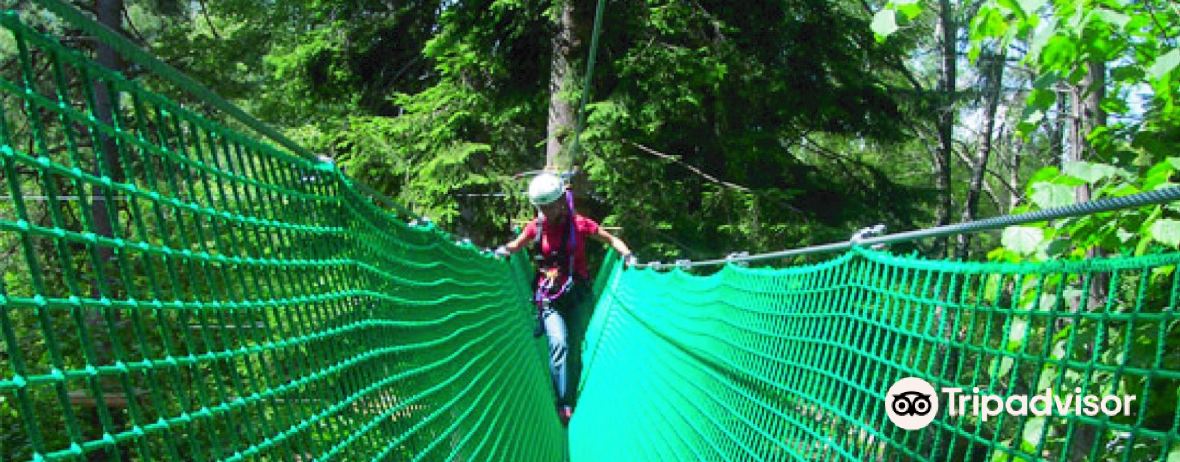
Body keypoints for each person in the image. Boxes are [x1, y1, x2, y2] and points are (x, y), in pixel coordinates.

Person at [495, 172, 636, 425]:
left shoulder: (579, 224)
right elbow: (516, 245)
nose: (547, 211)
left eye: (551, 205)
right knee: (558, 344)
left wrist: (627, 256)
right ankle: (563, 403)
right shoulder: (536, 228)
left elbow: (611, 239)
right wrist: (502, 251)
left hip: (578, 296)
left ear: (562, 201)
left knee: (575, 348)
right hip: (550, 297)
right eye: (542, 207)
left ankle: (572, 394)